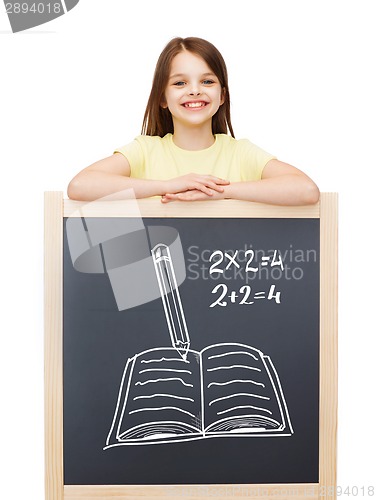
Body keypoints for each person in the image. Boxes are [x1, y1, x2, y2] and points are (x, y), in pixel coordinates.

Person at [67, 37, 319, 205]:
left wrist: (219, 192)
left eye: (207, 81)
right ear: (162, 98)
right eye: (180, 83)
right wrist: (169, 186)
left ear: (222, 96)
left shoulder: (240, 153)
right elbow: (80, 186)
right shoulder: (145, 151)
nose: (195, 91)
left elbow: (306, 190)